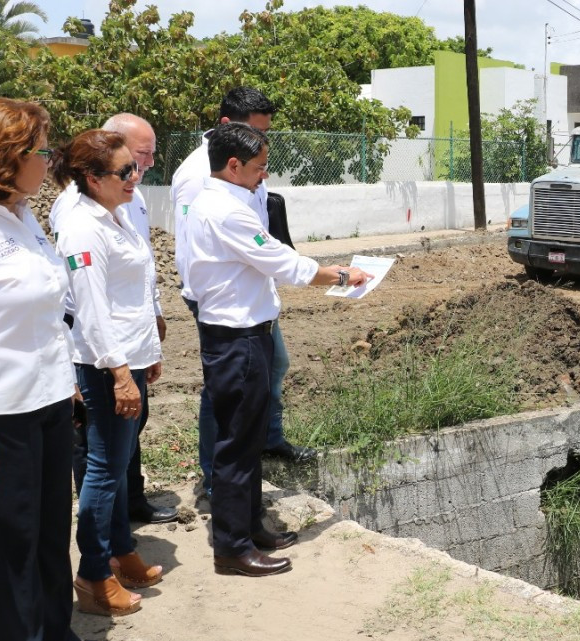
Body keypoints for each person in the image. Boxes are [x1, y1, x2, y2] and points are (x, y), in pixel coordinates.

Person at [186, 123, 370, 577]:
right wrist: (341, 275)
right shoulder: (225, 210)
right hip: (237, 340)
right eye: (259, 167)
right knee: (236, 444)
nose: (264, 176)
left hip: (249, 334)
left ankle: (250, 527)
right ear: (234, 166)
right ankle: (232, 548)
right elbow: (282, 262)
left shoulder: (224, 201)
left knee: (249, 440)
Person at [171, 88, 315, 502]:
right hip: (220, 296)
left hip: (252, 285)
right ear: (227, 127)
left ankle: (265, 440)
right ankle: (216, 476)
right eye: (255, 131)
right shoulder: (198, 174)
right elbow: (192, 242)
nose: (261, 142)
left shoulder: (246, 163)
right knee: (225, 387)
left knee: (272, 365)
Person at [0, 97, 81, 640]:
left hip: (50, 401)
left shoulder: (25, 218)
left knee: (50, 536)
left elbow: (49, 311)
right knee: (10, 546)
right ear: (6, 157)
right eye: (42, 150)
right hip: (0, 415)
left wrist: (70, 382)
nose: (51, 159)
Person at [52, 129, 164, 616]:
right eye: (124, 170)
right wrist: (120, 373)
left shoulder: (115, 214)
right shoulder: (82, 226)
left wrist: (148, 351)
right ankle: (93, 574)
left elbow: (131, 294)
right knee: (103, 468)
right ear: (93, 178)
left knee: (118, 464)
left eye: (133, 167)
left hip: (129, 357)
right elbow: (92, 309)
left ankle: (121, 550)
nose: (134, 176)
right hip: (104, 365)